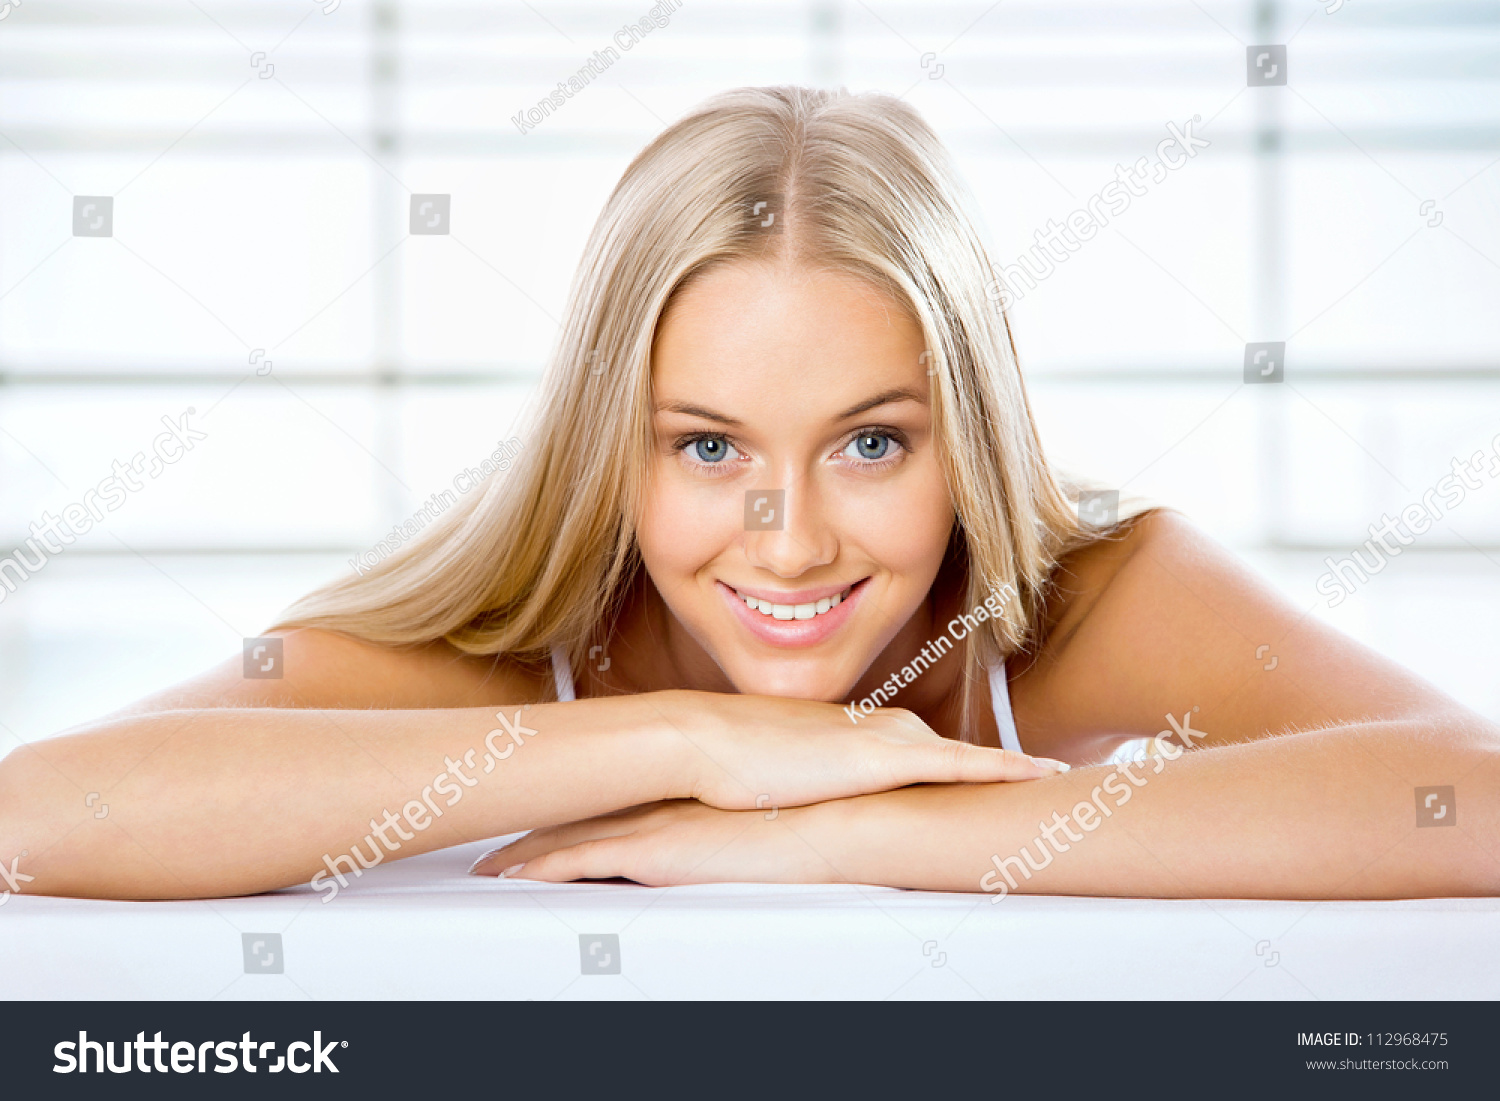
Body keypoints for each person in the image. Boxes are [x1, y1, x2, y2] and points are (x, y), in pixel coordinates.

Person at [5, 86, 1493, 902]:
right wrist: (691, 740)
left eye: (871, 442)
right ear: (616, 448)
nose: (791, 539)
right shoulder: (515, 638)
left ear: (967, 436)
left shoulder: (1081, 593)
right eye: (708, 448)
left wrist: (857, 828)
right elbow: (39, 815)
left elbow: (1471, 799)